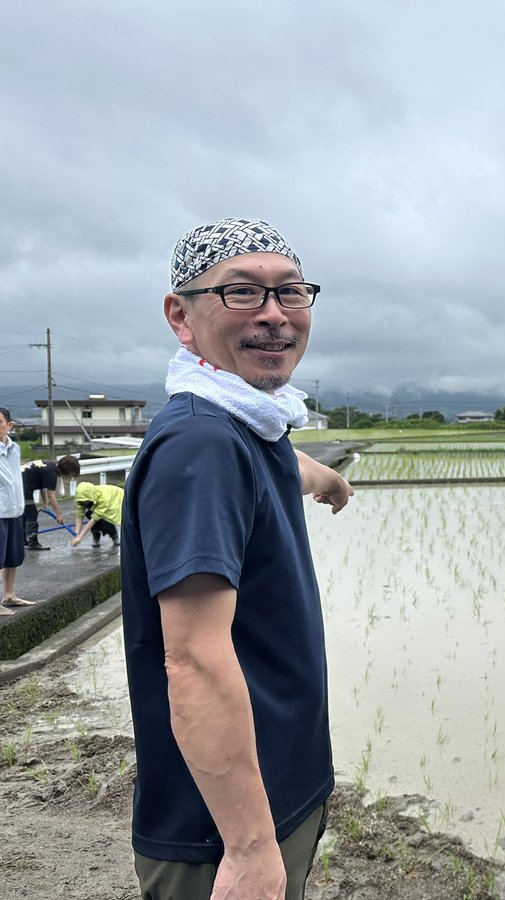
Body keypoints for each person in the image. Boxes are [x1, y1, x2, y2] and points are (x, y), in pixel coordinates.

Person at [121, 217, 353, 900]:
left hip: (275, 787)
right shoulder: (203, 445)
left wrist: (324, 477)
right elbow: (193, 658)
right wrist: (250, 849)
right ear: (181, 316)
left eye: (290, 292)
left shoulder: (248, 423)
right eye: (242, 292)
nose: (274, 314)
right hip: (222, 832)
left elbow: (274, 459)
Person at [0, 407, 33, 616]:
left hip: (14, 509)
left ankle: (9, 595)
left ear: (9, 425)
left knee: (13, 555)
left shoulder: (15, 448)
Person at [23, 454, 81, 550]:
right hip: (22, 486)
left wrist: (45, 503)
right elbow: (52, 497)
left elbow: (42, 486)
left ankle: (23, 540)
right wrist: (59, 515)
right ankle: (32, 542)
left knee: (25, 513)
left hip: (18, 483)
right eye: (72, 473)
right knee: (31, 514)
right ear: (68, 470)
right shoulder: (51, 473)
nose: (70, 476)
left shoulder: (50, 466)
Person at [69, 481, 123, 548]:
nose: (84, 503)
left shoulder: (103, 499)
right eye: (82, 502)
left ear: (90, 497)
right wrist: (76, 534)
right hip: (100, 505)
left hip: (117, 499)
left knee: (107, 517)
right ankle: (96, 535)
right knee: (89, 514)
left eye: (85, 501)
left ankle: (114, 535)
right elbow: (79, 516)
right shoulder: (79, 500)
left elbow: (94, 519)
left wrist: (80, 537)